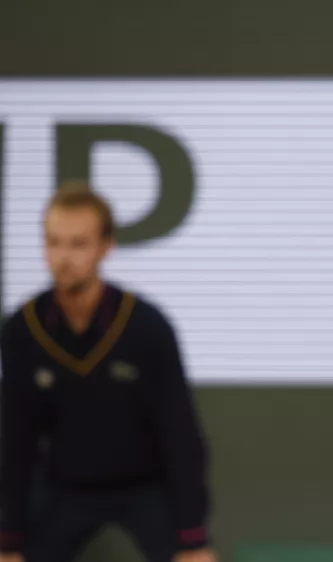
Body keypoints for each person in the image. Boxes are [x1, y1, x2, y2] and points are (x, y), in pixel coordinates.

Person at [0, 182, 216, 562]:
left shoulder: (146, 327)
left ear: (105, 246)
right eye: (54, 242)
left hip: (143, 487)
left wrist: (193, 540)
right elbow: (16, 442)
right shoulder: (23, 330)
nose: (63, 257)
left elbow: (180, 435)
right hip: (63, 488)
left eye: (78, 244)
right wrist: (9, 541)